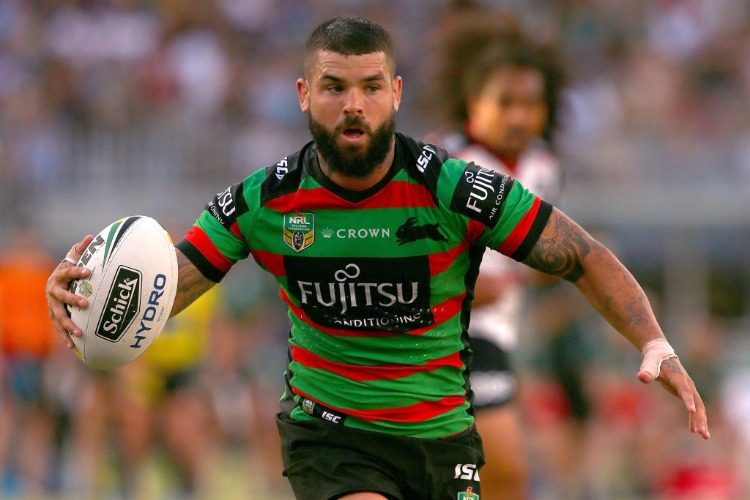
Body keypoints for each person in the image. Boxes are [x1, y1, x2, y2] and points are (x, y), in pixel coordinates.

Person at [46, 16, 709, 500]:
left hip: (442, 437)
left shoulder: (452, 187)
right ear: (305, 95)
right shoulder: (264, 200)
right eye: (334, 87)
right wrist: (85, 298)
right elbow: (171, 281)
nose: (353, 105)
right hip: (331, 433)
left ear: (395, 93)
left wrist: (653, 341)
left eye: (369, 87)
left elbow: (581, 255)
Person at [424, 9, 567, 498]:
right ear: (473, 100)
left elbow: (533, 259)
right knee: (502, 469)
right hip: (439, 336)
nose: (519, 116)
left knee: (485, 476)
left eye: (531, 103)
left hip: (496, 337)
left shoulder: (543, 167)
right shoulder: (442, 164)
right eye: (505, 102)